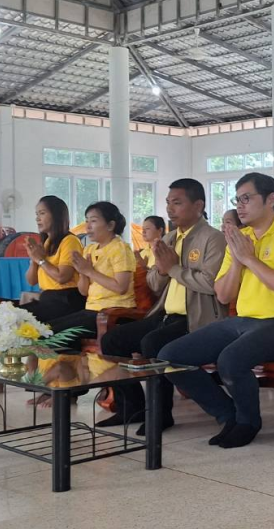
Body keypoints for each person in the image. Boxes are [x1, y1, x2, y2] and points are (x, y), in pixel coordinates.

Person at [158, 173, 274, 449]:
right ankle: (227, 414)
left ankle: (248, 422)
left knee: (230, 359)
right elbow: (223, 293)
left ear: (271, 199)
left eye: (246, 198)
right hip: (243, 321)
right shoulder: (239, 238)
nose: (240, 205)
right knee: (170, 357)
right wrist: (238, 262)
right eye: (237, 200)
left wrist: (250, 259)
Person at [99, 179, 227, 433]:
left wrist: (174, 268)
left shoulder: (213, 238)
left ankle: (160, 414)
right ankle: (131, 408)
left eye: (177, 203)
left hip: (197, 318)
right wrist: (160, 268)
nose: (170, 209)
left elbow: (211, 284)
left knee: (153, 344)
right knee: (113, 341)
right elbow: (155, 284)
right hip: (166, 314)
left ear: (198, 205)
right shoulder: (169, 237)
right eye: (168, 203)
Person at [47, 201, 136, 359]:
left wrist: (89, 271)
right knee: (46, 330)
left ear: (110, 225)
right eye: (87, 221)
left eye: (93, 221)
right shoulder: (90, 249)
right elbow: (83, 291)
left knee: (53, 335)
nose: (87, 226)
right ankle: (76, 369)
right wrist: (83, 273)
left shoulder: (120, 248)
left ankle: (79, 368)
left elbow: (121, 287)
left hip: (113, 312)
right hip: (92, 311)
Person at [21, 195, 85, 322]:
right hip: (49, 299)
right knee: (8, 315)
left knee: (18, 318)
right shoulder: (47, 242)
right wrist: (34, 258)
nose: (37, 218)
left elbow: (62, 277)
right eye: (37, 214)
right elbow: (31, 281)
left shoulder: (70, 241)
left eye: (42, 213)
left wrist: (41, 260)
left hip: (67, 300)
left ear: (56, 215)